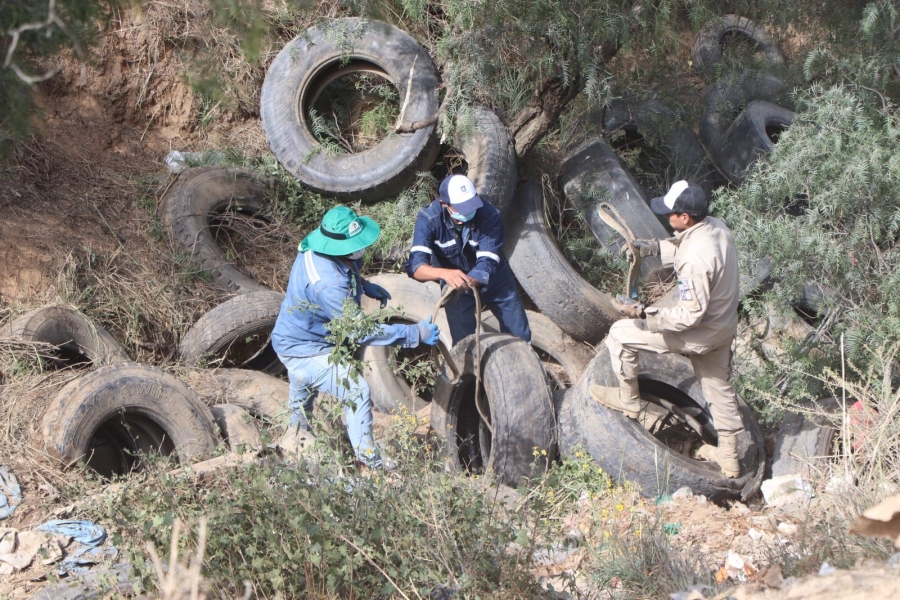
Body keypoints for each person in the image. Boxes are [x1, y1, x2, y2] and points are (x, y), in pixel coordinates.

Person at [589, 180, 744, 478]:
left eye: (670, 213)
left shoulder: (694, 259)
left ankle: (629, 401)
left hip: (699, 332)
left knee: (621, 334)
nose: (665, 217)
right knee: (718, 389)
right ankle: (729, 458)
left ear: (684, 217)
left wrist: (646, 314)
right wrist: (649, 248)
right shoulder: (716, 227)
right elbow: (687, 245)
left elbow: (688, 316)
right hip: (723, 327)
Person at [271, 205, 440, 469]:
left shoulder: (318, 246)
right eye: (355, 245)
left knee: (301, 405)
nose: (361, 249)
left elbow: (343, 269)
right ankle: (370, 464)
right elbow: (360, 331)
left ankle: (292, 453)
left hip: (294, 336)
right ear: (338, 247)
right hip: (305, 349)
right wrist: (414, 333)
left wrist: (362, 285)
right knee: (357, 392)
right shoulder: (329, 285)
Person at [406, 174, 531, 345]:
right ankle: (471, 370)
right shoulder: (429, 219)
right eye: (461, 208)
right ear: (444, 204)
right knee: (464, 342)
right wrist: (445, 274)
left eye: (471, 205)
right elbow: (415, 267)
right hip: (454, 286)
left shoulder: (489, 214)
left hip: (495, 279)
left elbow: (487, 263)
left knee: (519, 334)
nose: (468, 211)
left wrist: (468, 280)